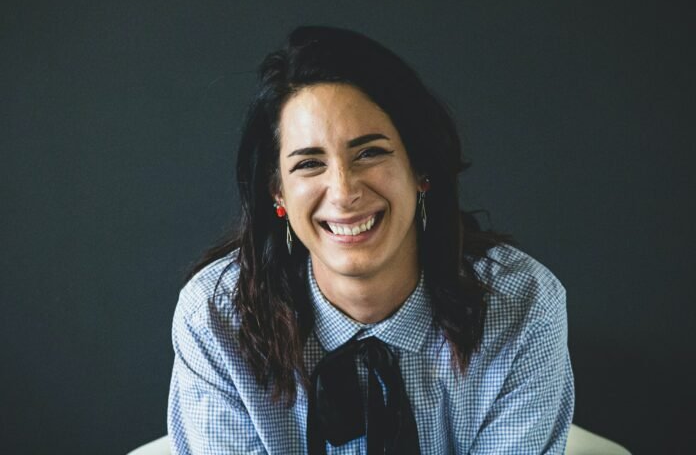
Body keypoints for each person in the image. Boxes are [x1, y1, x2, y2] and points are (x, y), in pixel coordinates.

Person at [167, 26, 574, 454]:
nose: (344, 193)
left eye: (369, 153)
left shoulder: (523, 303)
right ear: (278, 192)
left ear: (421, 168)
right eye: (309, 163)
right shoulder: (215, 318)